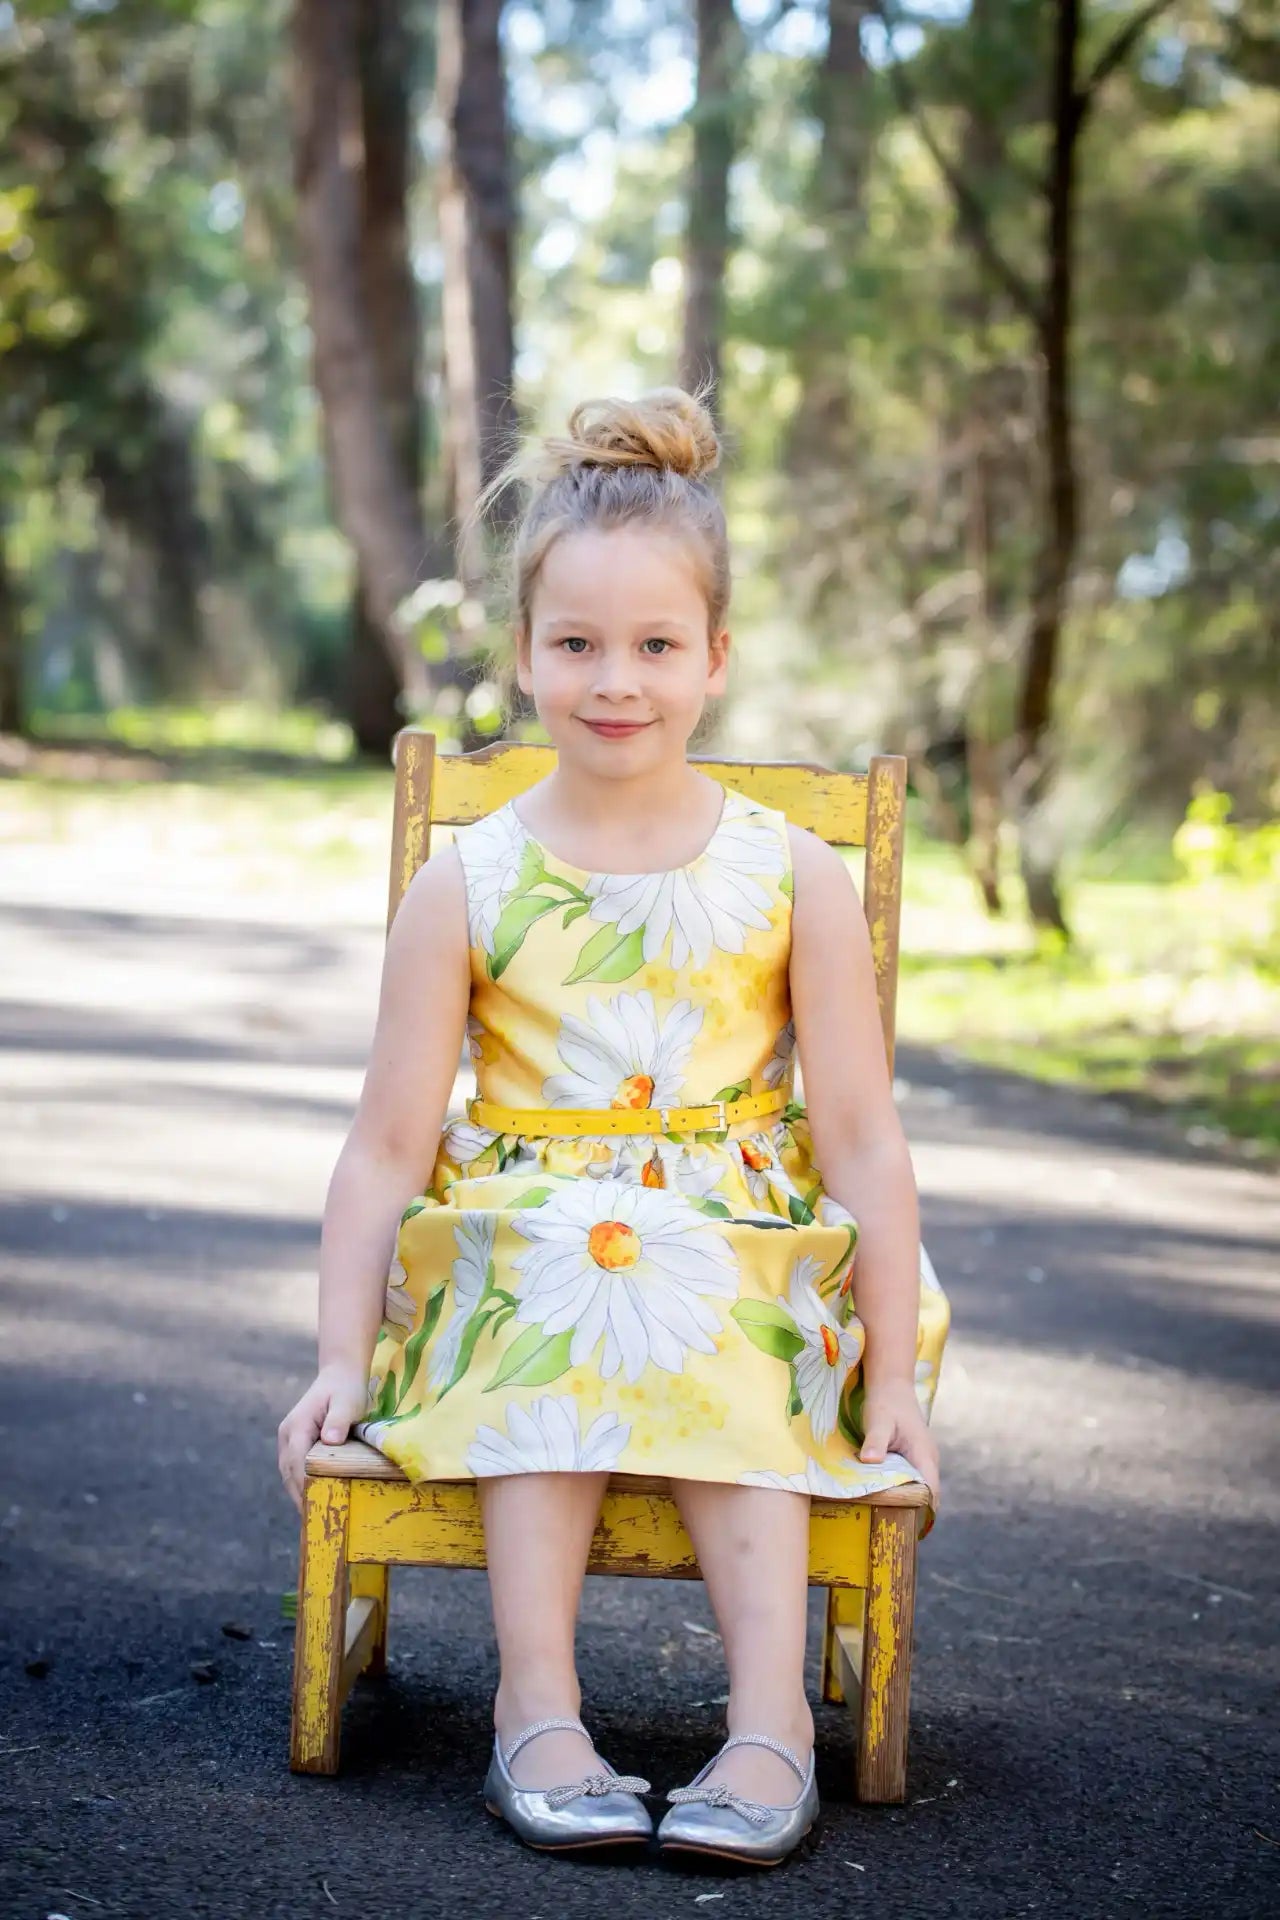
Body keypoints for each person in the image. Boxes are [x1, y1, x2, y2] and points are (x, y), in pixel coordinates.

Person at [278, 385, 950, 1866]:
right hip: (526, 1240)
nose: (614, 680)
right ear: (522, 656)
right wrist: (342, 1352)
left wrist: (892, 1374)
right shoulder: (468, 881)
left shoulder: (792, 877)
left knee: (700, 1287)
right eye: (575, 644)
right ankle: (540, 1709)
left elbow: (860, 1134)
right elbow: (388, 1144)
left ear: (715, 656)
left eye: (655, 645)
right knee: (565, 1281)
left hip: (737, 1239)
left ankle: (768, 1723)